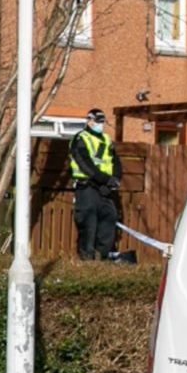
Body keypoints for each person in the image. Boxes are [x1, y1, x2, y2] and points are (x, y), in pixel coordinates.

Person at [68, 109, 122, 261]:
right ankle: (87, 261)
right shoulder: (80, 138)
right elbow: (85, 164)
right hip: (87, 188)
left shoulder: (106, 139)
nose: (100, 125)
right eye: (97, 121)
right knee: (88, 225)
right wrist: (104, 179)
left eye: (102, 121)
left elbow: (115, 162)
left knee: (109, 220)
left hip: (104, 190)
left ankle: (100, 259)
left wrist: (114, 181)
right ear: (89, 121)